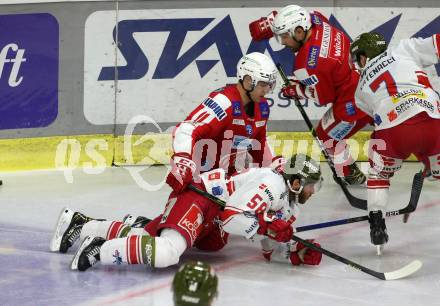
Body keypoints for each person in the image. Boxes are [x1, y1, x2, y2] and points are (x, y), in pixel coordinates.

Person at [49, 154, 323, 271]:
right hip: (200, 199)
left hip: (212, 215)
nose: (312, 192)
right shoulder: (272, 184)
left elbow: (268, 245)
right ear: (296, 182)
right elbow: (232, 218)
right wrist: (266, 227)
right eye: (311, 186)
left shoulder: (289, 201)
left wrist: (294, 250)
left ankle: (81, 225)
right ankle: (102, 247)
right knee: (168, 252)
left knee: (149, 238)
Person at [249, 5, 373, 185]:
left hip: (352, 100)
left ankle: (348, 174)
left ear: (299, 32)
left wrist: (296, 90)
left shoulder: (305, 65)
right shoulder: (316, 19)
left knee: (326, 137)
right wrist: (273, 22)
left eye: (284, 36)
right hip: (368, 82)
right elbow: (302, 15)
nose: (283, 42)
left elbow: (323, 97)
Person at [350, 32, 440, 252]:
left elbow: (377, 119)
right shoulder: (405, 48)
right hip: (433, 121)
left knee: (378, 174)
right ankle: (434, 166)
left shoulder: (359, 90)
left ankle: (376, 220)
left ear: (364, 57)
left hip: (395, 132)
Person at [166, 52, 284, 196]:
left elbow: (259, 144)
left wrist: (273, 165)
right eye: (262, 84)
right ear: (247, 81)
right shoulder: (223, 102)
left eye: (269, 85)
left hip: (228, 184)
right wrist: (183, 161)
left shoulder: (263, 107)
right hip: (199, 183)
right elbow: (186, 129)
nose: (266, 90)